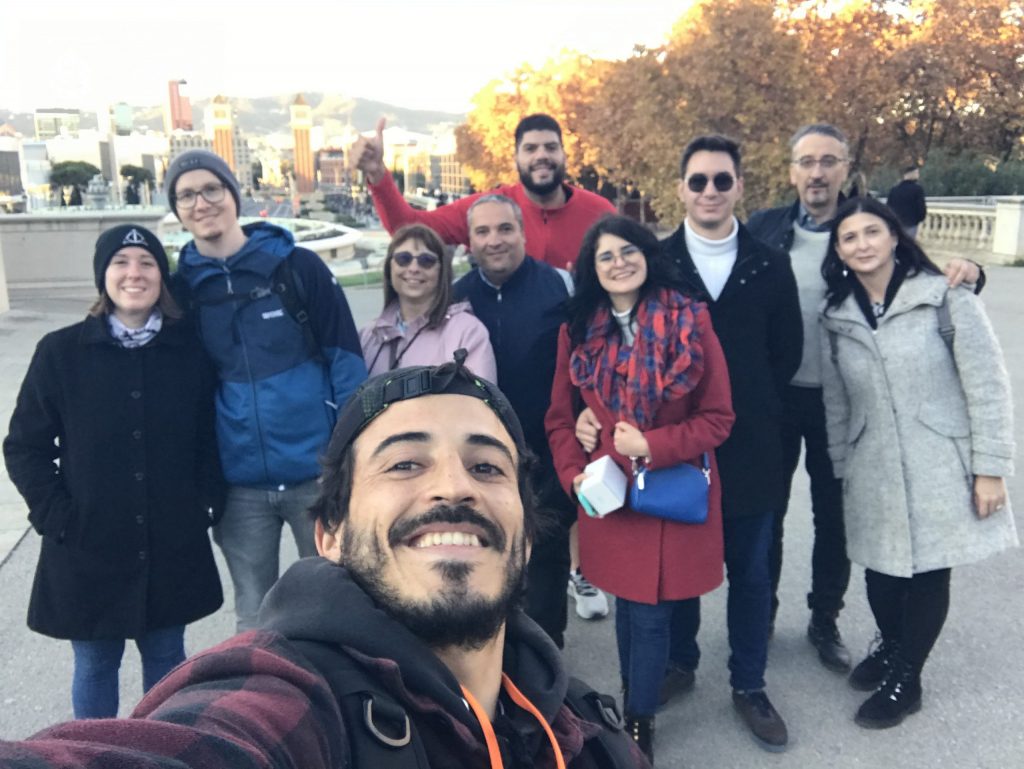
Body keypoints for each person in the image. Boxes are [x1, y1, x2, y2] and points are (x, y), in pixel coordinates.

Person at [0, 357, 647, 769]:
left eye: (486, 466)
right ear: (329, 535)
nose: (456, 487)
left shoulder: (585, 722)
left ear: (528, 539)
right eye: (404, 463)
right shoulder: (295, 700)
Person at [747, 124, 982, 673]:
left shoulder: (863, 227)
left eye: (829, 161)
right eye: (806, 161)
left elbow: (923, 271)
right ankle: (762, 615)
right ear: (791, 172)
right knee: (768, 513)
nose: (817, 172)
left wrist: (973, 271)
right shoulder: (763, 229)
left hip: (846, 400)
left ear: (845, 168)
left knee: (836, 516)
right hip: (776, 399)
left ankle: (824, 617)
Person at [2, 224, 224, 719]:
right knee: (97, 662)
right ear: (103, 276)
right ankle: (97, 754)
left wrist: (207, 501)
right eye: (120, 262)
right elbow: (25, 446)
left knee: (168, 659)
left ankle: (162, 749)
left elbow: (207, 438)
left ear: (161, 278)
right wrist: (56, 514)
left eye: (146, 263)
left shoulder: (187, 353)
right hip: (87, 541)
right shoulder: (60, 353)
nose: (134, 274)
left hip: (170, 539)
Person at [819, 196, 1017, 728]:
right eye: (849, 237)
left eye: (871, 232)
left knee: (928, 570)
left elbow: (988, 386)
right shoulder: (835, 317)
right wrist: (841, 466)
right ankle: (892, 645)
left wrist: (991, 467)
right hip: (872, 466)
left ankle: (908, 677)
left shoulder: (945, 297)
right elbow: (837, 401)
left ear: (894, 237)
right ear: (838, 251)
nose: (862, 244)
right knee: (881, 572)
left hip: (939, 462)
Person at [546, 214, 735, 761]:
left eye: (628, 251)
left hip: (668, 492)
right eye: (605, 256)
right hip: (610, 498)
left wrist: (652, 444)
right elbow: (560, 420)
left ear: (648, 255)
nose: (619, 262)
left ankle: (637, 719)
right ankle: (636, 703)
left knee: (649, 613)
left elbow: (719, 418)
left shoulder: (690, 322)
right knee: (629, 609)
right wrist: (573, 475)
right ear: (592, 269)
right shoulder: (577, 331)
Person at [165, 149, 366, 633]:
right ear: (176, 209)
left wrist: (346, 457)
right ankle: (259, 704)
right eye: (186, 195)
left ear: (233, 195)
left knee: (333, 604)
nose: (202, 202)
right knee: (253, 616)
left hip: (314, 474)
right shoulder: (182, 290)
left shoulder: (296, 268)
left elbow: (347, 363)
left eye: (211, 189)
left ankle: (337, 702)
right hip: (239, 486)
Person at [661, 135, 801, 752]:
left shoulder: (770, 262)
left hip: (752, 445)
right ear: (682, 189)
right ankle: (679, 663)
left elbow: (786, 354)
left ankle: (749, 683)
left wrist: (751, 407)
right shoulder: (658, 262)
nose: (710, 192)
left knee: (749, 572)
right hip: (679, 443)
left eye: (722, 180)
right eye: (698, 181)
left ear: (740, 186)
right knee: (683, 569)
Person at [452, 193, 600, 645]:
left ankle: (546, 659)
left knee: (546, 563)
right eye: (483, 231)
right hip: (477, 457)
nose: (494, 240)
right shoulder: (456, 296)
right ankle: (490, 660)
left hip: (548, 449)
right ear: (470, 240)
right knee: (485, 560)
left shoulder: (560, 285)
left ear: (522, 232)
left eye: (504, 229)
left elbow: (592, 353)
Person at [350, 113, 616, 270]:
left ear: (564, 154)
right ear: (515, 158)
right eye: (531, 149)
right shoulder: (486, 210)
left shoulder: (600, 213)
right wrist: (377, 172)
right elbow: (408, 228)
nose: (542, 156)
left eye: (550, 147)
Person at [360, 222, 496, 380]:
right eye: (403, 259)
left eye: (426, 260)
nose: (414, 268)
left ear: (442, 271)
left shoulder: (467, 332)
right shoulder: (367, 336)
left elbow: (478, 401)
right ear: (390, 269)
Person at [886, 165, 928, 238]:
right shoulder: (917, 189)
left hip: (896, 222)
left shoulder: (894, 190)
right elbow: (921, 207)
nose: (918, 175)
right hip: (911, 222)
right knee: (908, 244)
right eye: (917, 173)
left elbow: (889, 207)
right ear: (912, 174)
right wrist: (919, 218)